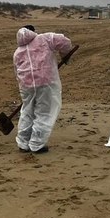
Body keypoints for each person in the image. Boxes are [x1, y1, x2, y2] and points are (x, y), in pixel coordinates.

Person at [12, 25, 74, 153]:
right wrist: (65, 56)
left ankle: (23, 143)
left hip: (26, 86)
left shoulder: (18, 51)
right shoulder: (45, 38)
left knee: (27, 112)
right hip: (46, 83)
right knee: (45, 112)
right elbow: (65, 41)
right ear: (33, 32)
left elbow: (16, 71)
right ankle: (36, 144)